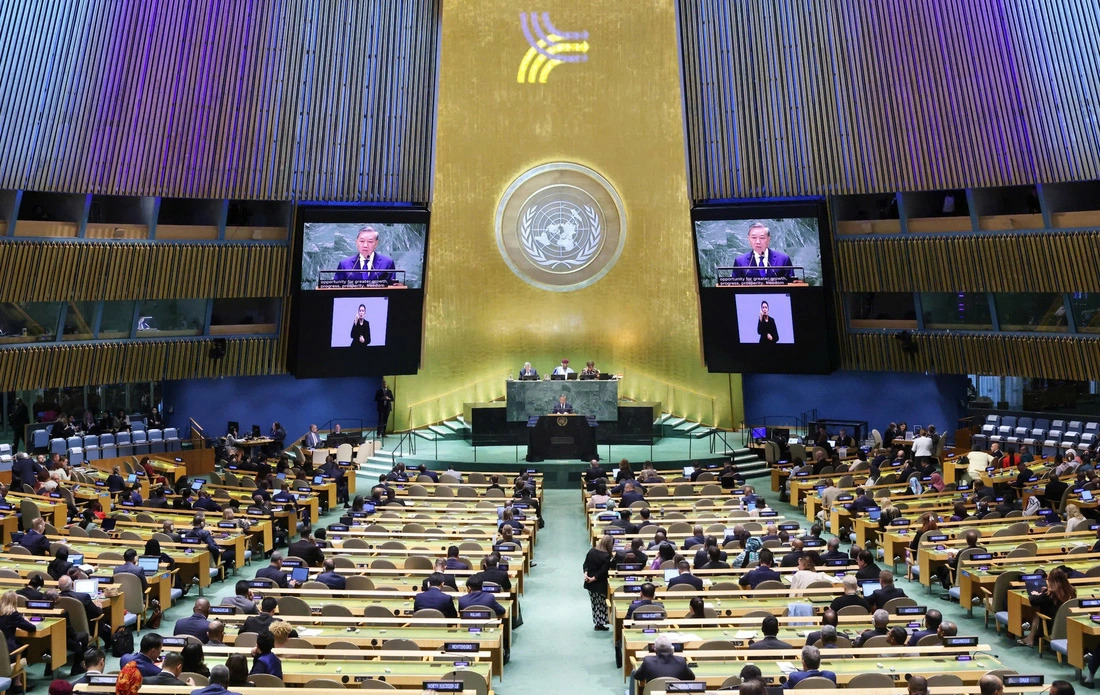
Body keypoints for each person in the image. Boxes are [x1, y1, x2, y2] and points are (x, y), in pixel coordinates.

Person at [1020, 567, 1075, 646]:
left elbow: (1033, 602)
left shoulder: (1050, 594)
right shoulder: (1072, 590)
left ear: (1051, 581)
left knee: (1037, 615)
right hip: (1068, 624)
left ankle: (1030, 640)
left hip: (1053, 627)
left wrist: (1035, 594)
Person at [583, 535, 614, 631]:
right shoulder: (607, 556)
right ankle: (600, 624)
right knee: (601, 604)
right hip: (599, 583)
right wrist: (594, 578)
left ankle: (597, 622)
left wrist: (586, 574)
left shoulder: (592, 551)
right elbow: (603, 571)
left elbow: (585, 564)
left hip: (589, 582)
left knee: (594, 603)